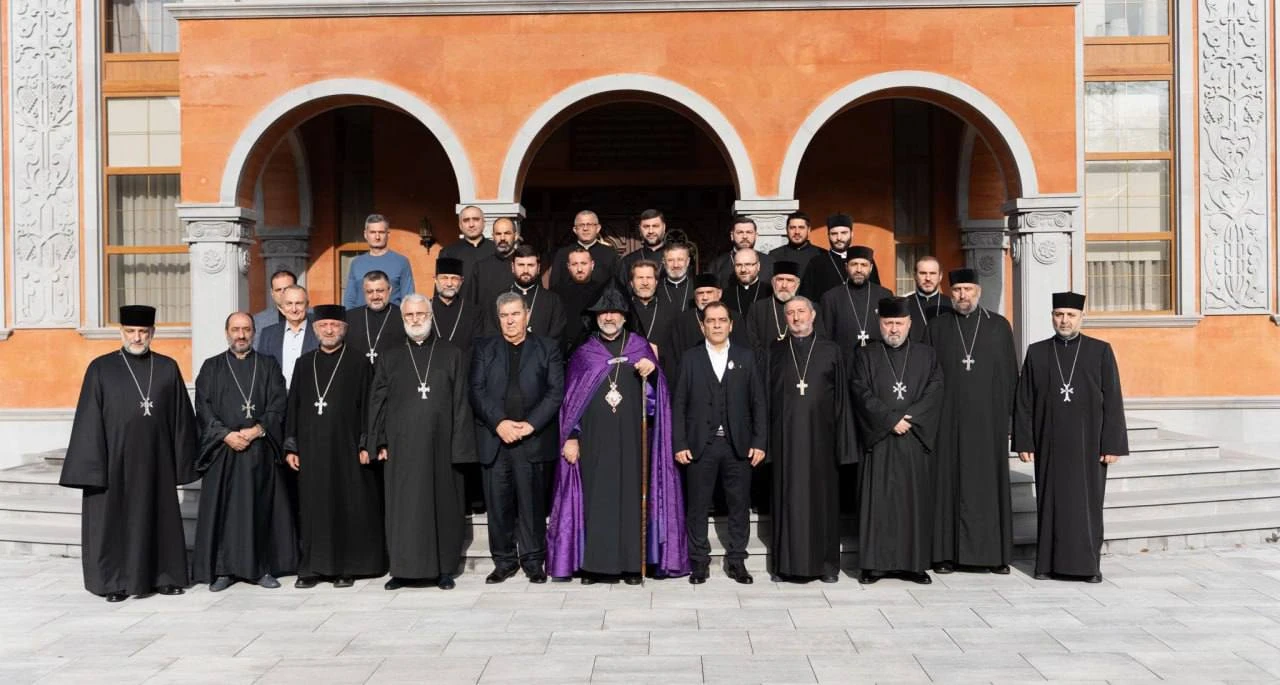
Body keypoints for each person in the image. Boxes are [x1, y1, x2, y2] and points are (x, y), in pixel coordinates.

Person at [548, 287, 688, 583]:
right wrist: (571, 436)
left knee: (631, 499)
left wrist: (653, 375)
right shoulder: (584, 352)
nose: (609, 317)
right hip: (594, 442)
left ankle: (631, 565)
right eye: (604, 312)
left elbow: (657, 402)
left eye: (615, 312)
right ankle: (593, 566)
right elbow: (571, 401)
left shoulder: (639, 347)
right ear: (595, 317)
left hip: (633, 442)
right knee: (595, 501)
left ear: (625, 316)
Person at [61, 305, 198, 602]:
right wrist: (93, 467)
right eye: (131, 331)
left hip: (157, 461)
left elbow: (181, 419)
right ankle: (115, 582)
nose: (137, 337)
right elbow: (89, 419)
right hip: (115, 462)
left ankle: (165, 576)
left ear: (153, 332)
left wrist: (183, 461)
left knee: (159, 518)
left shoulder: (167, 368)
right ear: (121, 332)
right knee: (114, 522)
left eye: (143, 332)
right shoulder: (101, 368)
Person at [1014, 291, 1128, 583]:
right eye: (1059, 314)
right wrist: (1024, 441)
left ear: (1081, 318)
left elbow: (1113, 399)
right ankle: (1046, 565)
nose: (1064, 320)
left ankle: (1088, 567)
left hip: (1089, 445)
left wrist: (1112, 444)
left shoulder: (1100, 351)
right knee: (1050, 503)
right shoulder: (1037, 352)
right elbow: (1024, 400)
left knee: (1087, 506)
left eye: (1070, 315)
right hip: (1049, 442)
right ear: (1052, 317)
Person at [367, 295, 477, 590]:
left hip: (443, 447)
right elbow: (377, 401)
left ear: (430, 316)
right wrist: (378, 440)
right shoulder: (390, 356)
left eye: (420, 314)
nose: (415, 320)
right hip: (401, 448)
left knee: (443, 506)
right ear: (403, 319)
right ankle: (402, 570)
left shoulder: (452, 354)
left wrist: (460, 448)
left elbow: (461, 403)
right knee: (404, 509)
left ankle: (444, 569)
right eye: (409, 315)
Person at [192, 312, 297, 592]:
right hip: (223, 451)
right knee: (226, 512)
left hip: (259, 450)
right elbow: (203, 406)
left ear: (254, 332)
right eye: (236, 329)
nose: (241, 335)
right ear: (227, 332)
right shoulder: (212, 367)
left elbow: (278, 403)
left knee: (259, 510)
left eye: (246, 329)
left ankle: (261, 569)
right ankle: (224, 570)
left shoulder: (268, 365)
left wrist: (257, 430)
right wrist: (225, 435)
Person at [284, 305, 386, 588]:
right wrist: (291, 446)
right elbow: (294, 406)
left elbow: (369, 406)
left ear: (344, 329)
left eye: (334, 326)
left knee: (347, 506)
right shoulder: (304, 364)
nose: (329, 330)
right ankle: (312, 568)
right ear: (315, 329)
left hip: (347, 449)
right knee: (313, 508)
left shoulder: (358, 362)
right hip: (312, 450)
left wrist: (367, 443)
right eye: (324, 326)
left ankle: (346, 567)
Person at [470, 293, 565, 584]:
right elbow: (476, 390)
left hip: (532, 440)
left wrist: (530, 425)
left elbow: (555, 392)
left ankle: (534, 561)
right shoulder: (484, 348)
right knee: (498, 505)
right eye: (504, 315)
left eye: (515, 314)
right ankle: (504, 562)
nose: (510, 321)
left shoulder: (547, 348)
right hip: (495, 439)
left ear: (527, 315)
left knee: (532, 505)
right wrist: (499, 423)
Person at [927, 269, 1017, 575]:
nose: (962, 295)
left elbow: (1010, 376)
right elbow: (926, 375)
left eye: (968, 289)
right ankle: (944, 555)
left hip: (988, 424)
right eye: (957, 290)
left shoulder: (999, 326)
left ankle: (994, 556)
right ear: (950, 292)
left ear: (978, 291)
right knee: (946, 487)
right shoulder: (937, 327)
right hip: (947, 423)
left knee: (987, 488)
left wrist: (1010, 422)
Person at [672, 302, 767, 585]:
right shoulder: (690, 358)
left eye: (722, 320)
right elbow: (679, 404)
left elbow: (758, 403)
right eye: (711, 320)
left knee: (739, 505)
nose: (716, 325)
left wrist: (759, 441)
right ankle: (699, 562)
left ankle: (737, 560)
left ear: (731, 324)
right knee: (698, 506)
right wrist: (680, 443)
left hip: (738, 445)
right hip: (700, 445)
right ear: (702, 325)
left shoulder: (746, 357)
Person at [851, 298, 944, 585]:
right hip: (879, 441)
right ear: (879, 324)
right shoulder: (865, 354)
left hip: (913, 439)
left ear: (909, 324)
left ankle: (914, 565)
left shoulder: (926, 355)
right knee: (877, 503)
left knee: (912, 503)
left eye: (899, 323)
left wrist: (910, 418)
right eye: (888, 323)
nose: (894, 329)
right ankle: (873, 565)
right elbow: (859, 391)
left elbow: (936, 389)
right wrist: (890, 419)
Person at [767, 296, 855, 583]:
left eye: (801, 311)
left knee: (823, 504)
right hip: (785, 442)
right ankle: (784, 566)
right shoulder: (775, 351)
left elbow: (842, 400)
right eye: (790, 313)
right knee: (786, 502)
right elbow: (766, 398)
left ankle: (827, 566)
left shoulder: (831, 350)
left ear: (813, 315)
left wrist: (844, 444)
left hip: (822, 443)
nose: (796, 318)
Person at [663, 273, 749, 384]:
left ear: (719, 294)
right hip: (692, 382)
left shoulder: (734, 317)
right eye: (700, 293)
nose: (705, 297)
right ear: (694, 296)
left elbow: (743, 353)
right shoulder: (682, 321)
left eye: (709, 292)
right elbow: (674, 360)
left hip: (729, 380)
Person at [483, 245, 567, 345]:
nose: (525, 270)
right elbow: (491, 336)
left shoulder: (553, 301)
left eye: (530, 265)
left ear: (538, 268)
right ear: (513, 267)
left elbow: (556, 340)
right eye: (521, 265)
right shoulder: (498, 300)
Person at [821, 246, 894, 350]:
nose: (859, 270)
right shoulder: (830, 298)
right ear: (846, 267)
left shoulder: (885, 295)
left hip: (877, 357)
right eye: (854, 264)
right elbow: (826, 339)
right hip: (843, 358)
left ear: (871, 268)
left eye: (864, 265)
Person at [746, 261, 825, 353]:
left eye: (789, 280)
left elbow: (819, 342)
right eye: (780, 280)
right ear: (773, 282)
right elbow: (752, 344)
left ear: (797, 284)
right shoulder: (757, 309)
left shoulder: (811, 307)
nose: (784, 285)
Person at [342, 214, 416, 308]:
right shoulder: (356, 263)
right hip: (362, 316)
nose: (377, 237)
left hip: (393, 316)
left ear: (388, 234)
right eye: (372, 232)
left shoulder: (401, 262)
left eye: (381, 232)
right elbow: (349, 299)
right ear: (365, 234)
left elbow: (409, 298)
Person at [258, 284, 317, 389]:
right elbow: (261, 371)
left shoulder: (319, 332)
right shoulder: (268, 334)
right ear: (281, 308)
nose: (294, 309)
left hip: (310, 394)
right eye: (289, 303)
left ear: (307, 305)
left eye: (299, 303)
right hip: (278, 396)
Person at [552, 246, 606, 356]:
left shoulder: (603, 291)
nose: (579, 269)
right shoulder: (556, 293)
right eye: (574, 264)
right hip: (564, 350)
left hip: (597, 348)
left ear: (592, 265)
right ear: (568, 267)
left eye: (584, 263)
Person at [345, 270, 406, 367]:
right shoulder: (349, 317)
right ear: (364, 292)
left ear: (390, 290)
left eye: (380, 291)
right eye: (370, 292)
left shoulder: (403, 316)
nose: (375, 296)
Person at [549, 210, 619, 290]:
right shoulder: (562, 253)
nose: (585, 228)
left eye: (589, 224)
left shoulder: (610, 253)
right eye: (581, 225)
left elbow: (617, 286)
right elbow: (554, 285)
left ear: (598, 228)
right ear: (575, 230)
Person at [431, 257, 483, 362]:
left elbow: (477, 348)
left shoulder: (474, 312)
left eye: (454, 278)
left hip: (463, 367)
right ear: (435, 279)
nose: (449, 284)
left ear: (461, 281)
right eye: (444, 278)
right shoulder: (425, 309)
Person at [627, 259, 679, 359]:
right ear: (632, 283)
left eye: (649, 277)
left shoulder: (671, 310)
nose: (645, 283)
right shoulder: (624, 309)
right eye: (640, 278)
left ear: (656, 282)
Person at [707, 216, 775, 292]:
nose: (745, 236)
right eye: (740, 232)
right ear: (732, 236)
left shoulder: (769, 262)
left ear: (756, 235)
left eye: (749, 232)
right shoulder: (717, 265)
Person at [799, 213, 855, 302]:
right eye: (834, 234)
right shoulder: (816, 263)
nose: (839, 238)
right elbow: (806, 298)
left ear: (851, 234)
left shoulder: (863, 261)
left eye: (844, 233)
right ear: (828, 235)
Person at [469, 216, 520, 311]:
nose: (502, 238)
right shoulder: (480, 267)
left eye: (507, 233)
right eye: (498, 234)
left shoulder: (526, 266)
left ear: (516, 236)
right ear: (493, 237)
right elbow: (472, 305)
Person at [439, 205, 495, 290]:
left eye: (476, 219)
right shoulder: (449, 253)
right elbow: (441, 288)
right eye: (466, 220)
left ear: (484, 223)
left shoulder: (496, 250)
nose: (471, 225)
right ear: (460, 225)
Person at [617, 208, 669, 289]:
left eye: (655, 226)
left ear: (664, 227)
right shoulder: (628, 261)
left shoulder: (677, 259)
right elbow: (619, 292)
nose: (651, 231)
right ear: (640, 229)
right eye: (646, 226)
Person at [906, 256, 953, 342]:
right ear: (915, 276)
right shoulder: (904, 304)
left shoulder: (951, 304)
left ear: (940, 276)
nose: (928, 278)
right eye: (923, 273)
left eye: (932, 273)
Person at [723, 247, 773, 315]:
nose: (743, 270)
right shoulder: (726, 294)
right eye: (738, 265)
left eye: (748, 264)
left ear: (758, 266)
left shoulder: (770, 292)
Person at [253, 269, 297, 344]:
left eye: (287, 288)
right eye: (278, 290)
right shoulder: (259, 321)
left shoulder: (313, 316)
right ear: (272, 293)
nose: (283, 293)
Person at [659, 242, 694, 312]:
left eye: (680, 259)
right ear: (664, 262)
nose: (676, 265)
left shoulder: (697, 288)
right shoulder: (655, 288)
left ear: (688, 261)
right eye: (670, 260)